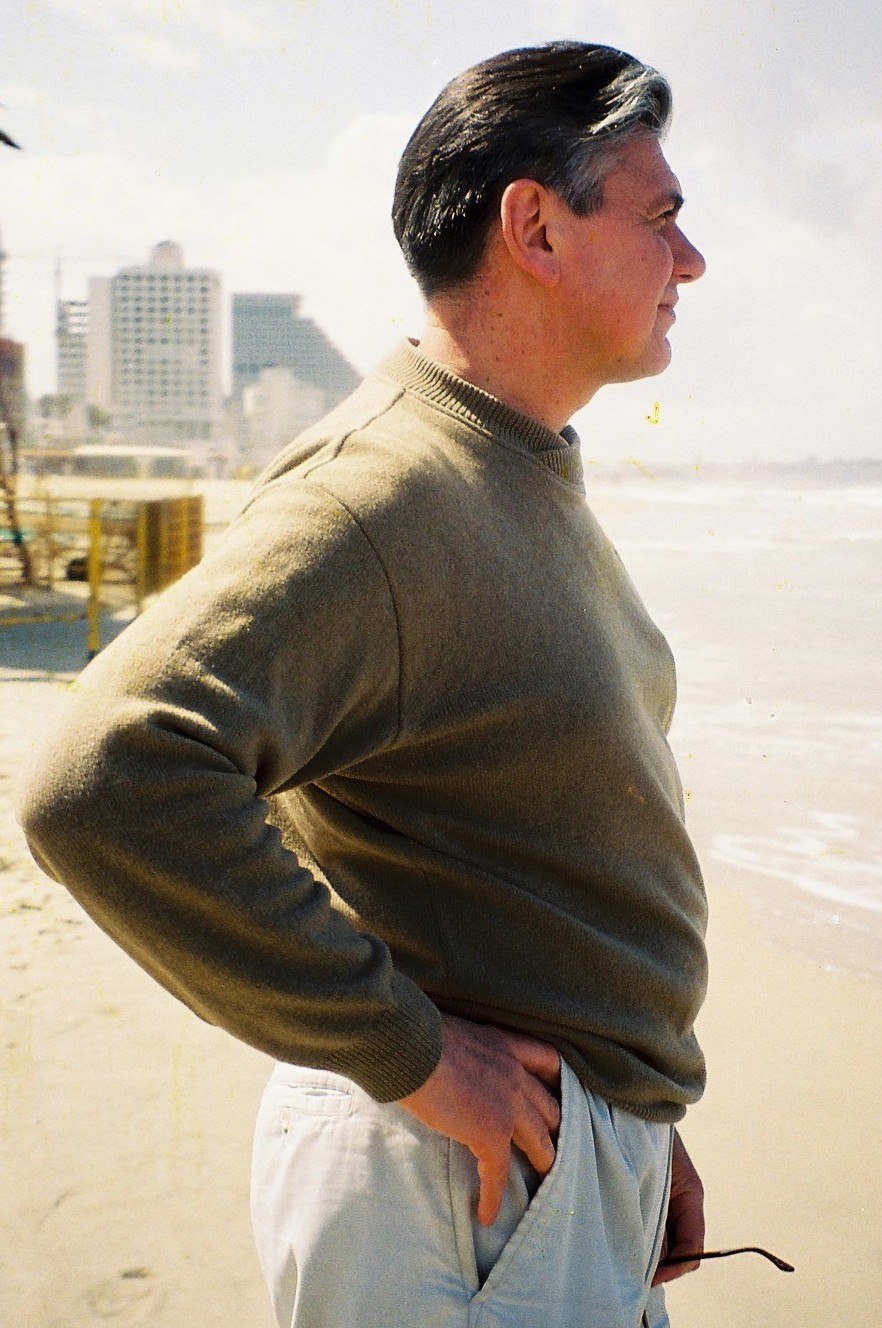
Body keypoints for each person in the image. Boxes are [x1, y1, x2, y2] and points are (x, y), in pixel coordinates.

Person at [18, 40, 709, 1328]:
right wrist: (410, 1052)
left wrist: (637, 1110)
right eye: (661, 216)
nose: (692, 259)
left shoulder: (510, 470)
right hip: (457, 1186)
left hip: (545, 1171)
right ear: (535, 227)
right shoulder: (384, 491)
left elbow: (526, 840)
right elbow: (104, 775)